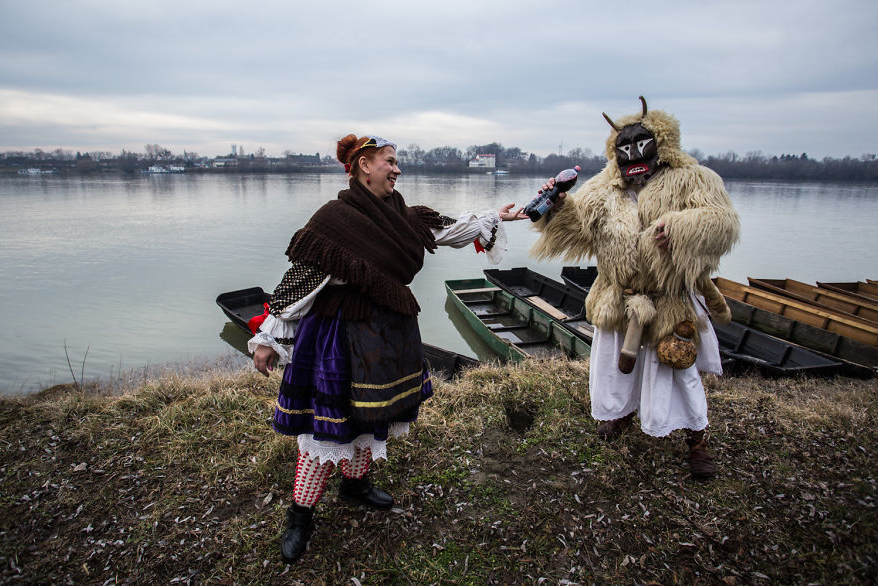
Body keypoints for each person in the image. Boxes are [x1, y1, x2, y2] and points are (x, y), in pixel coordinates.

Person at [248, 133, 526, 563]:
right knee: (327, 425)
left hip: (388, 331)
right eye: (389, 162)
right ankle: (300, 515)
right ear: (364, 165)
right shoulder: (334, 219)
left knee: (372, 414)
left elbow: (448, 230)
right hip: (339, 332)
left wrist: (495, 217)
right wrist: (268, 337)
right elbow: (301, 280)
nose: (396, 169)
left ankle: (355, 484)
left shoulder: (401, 213)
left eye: (396, 163)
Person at [530, 97, 740, 479]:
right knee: (615, 369)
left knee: (679, 369)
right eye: (623, 149)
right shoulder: (602, 189)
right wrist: (557, 207)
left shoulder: (693, 178)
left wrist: (679, 228)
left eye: (640, 146)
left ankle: (697, 440)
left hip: (670, 300)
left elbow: (722, 222)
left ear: (660, 143)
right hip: (619, 297)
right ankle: (620, 416)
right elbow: (578, 233)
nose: (632, 156)